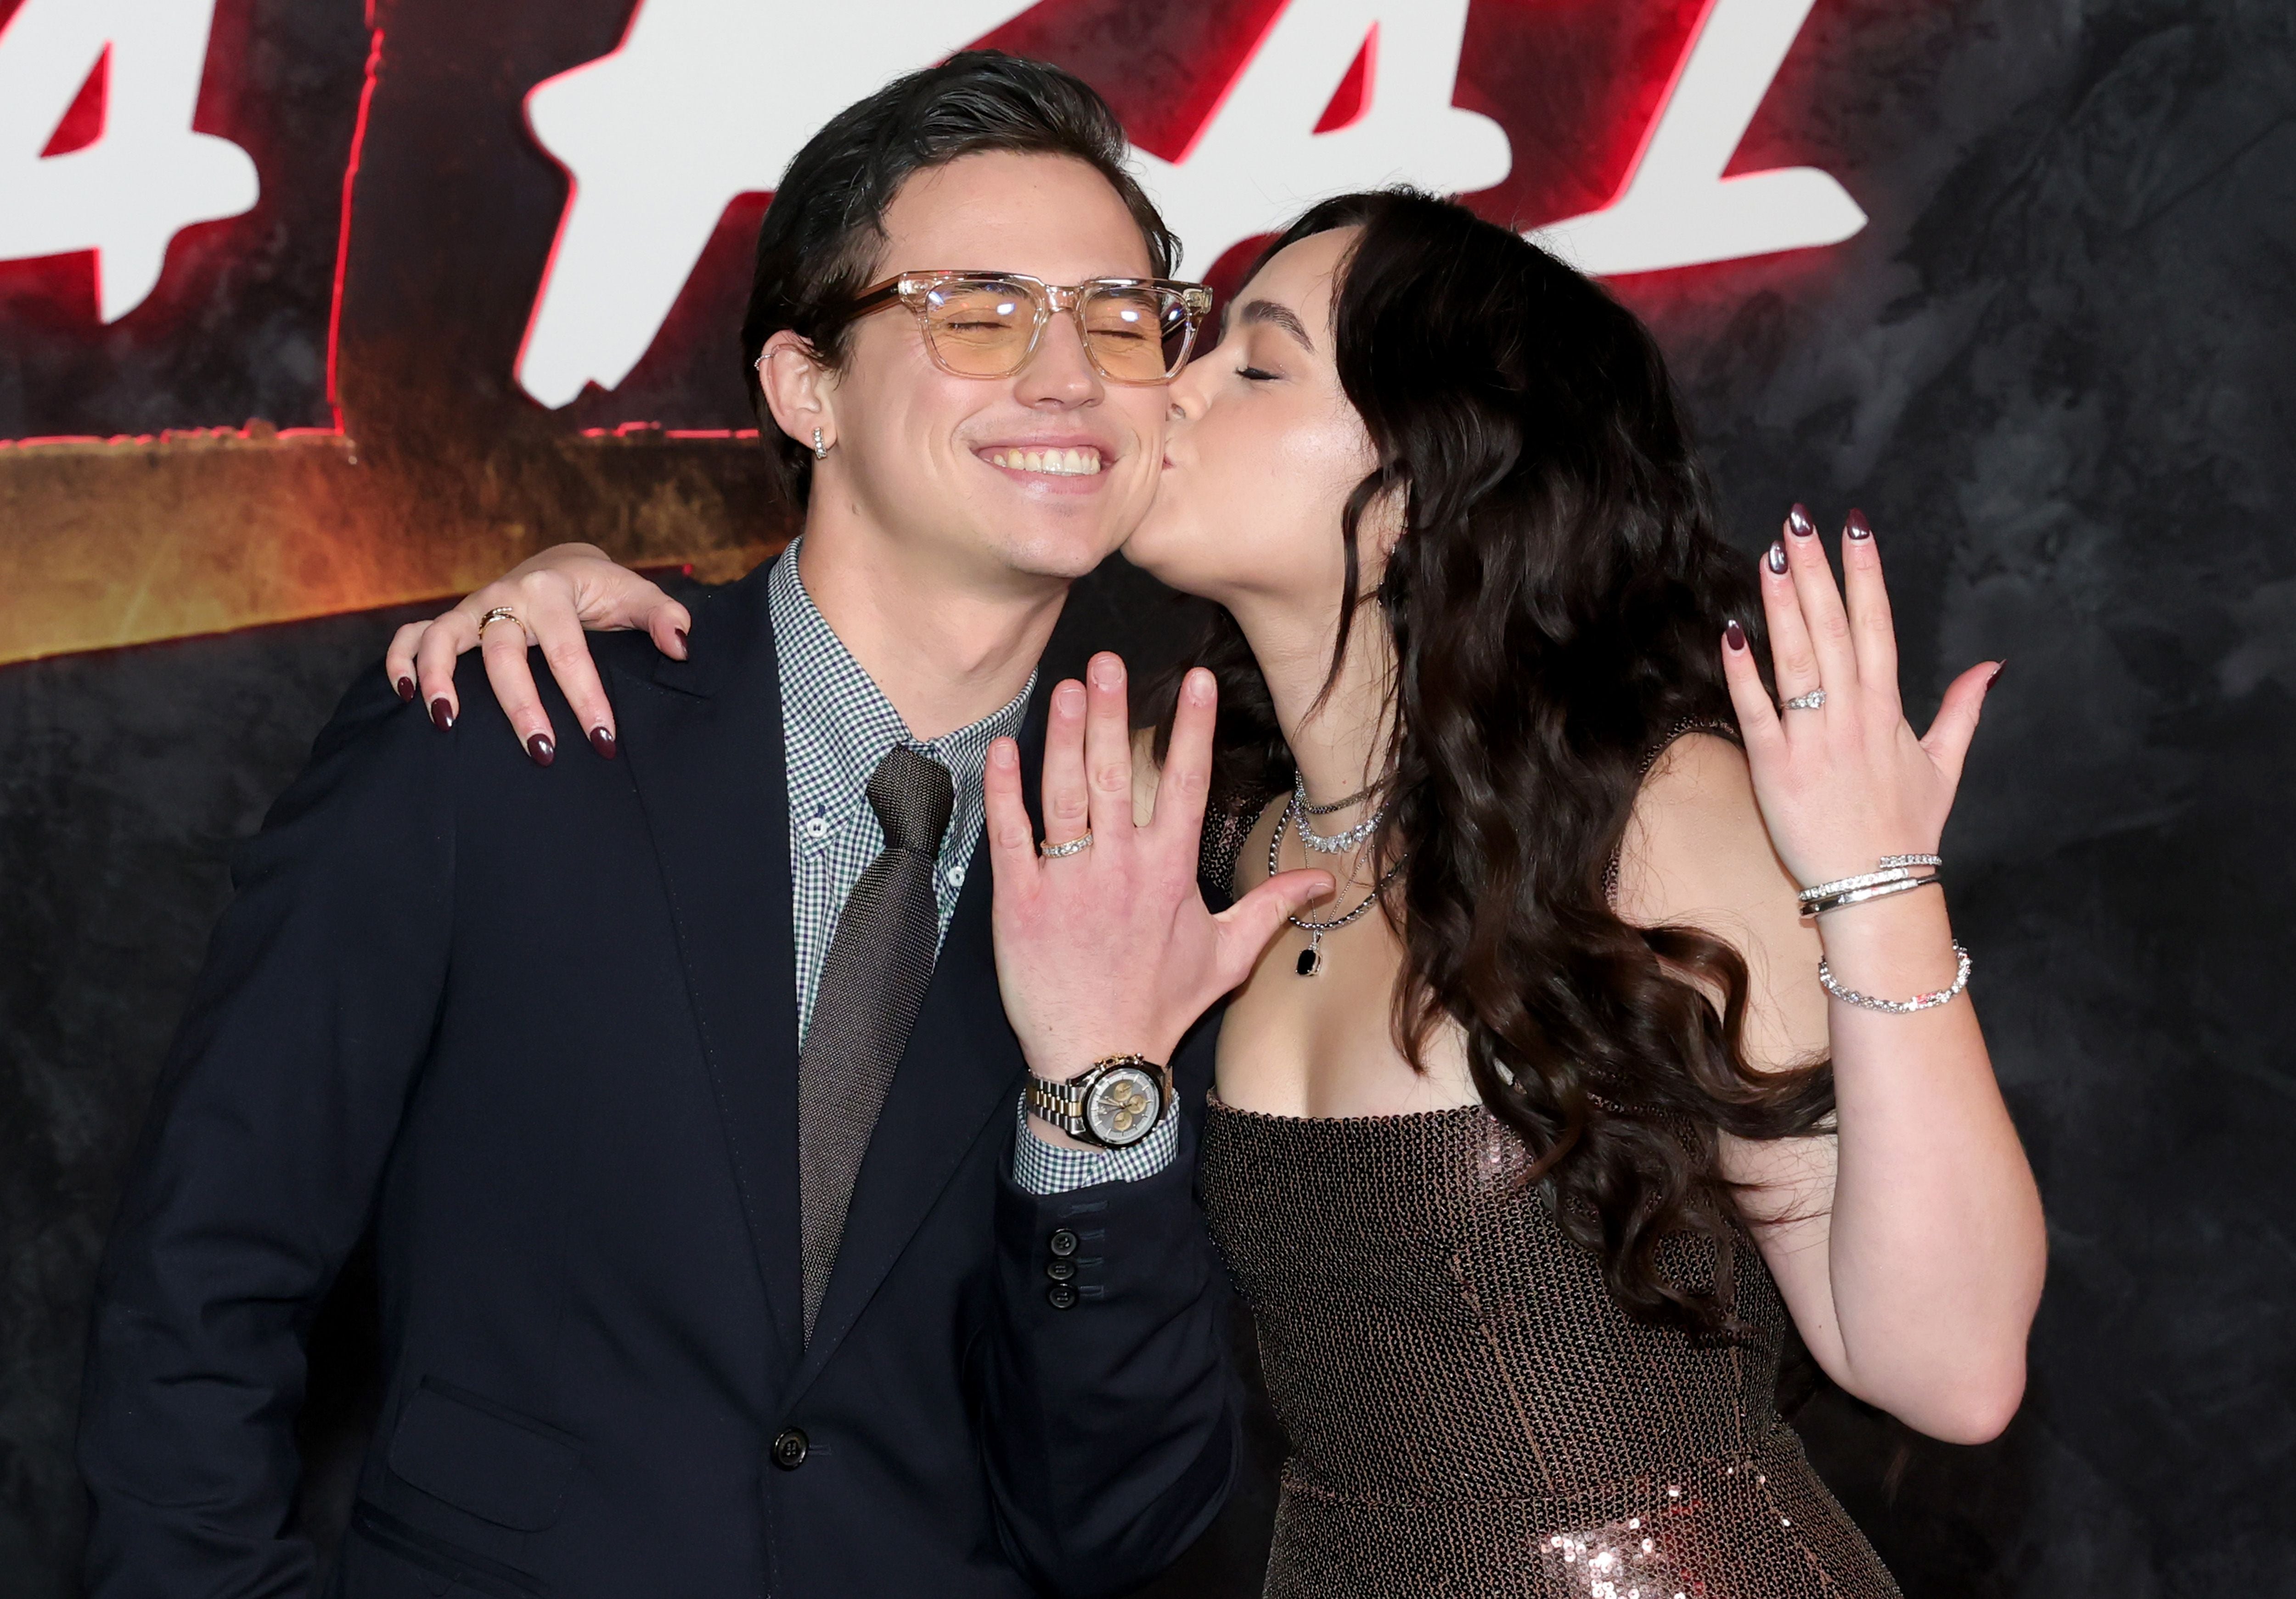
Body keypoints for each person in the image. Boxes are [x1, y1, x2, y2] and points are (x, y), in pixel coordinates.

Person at [411, 190, 2049, 1596]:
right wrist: (568, 594)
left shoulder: (1658, 814)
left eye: (1253, 362)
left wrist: (1878, 886)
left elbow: (1949, 1369)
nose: (1166, 391)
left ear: (1419, 484)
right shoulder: (1191, 839)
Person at [76, 54, 1333, 1599]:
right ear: (807, 386)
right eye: (980, 312)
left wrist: (1095, 1101)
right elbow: (200, 1287)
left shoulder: (1165, 868)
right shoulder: (511, 724)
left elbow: (1115, 1523)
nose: (1068, 375)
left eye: (1125, 318)